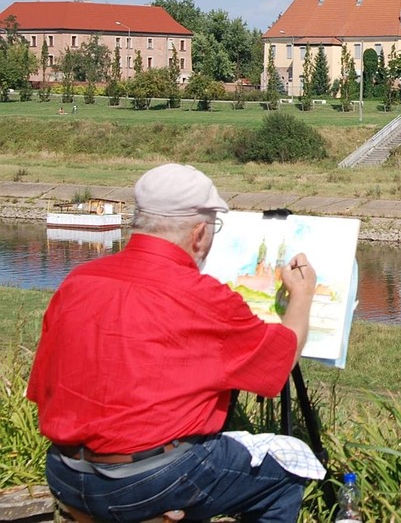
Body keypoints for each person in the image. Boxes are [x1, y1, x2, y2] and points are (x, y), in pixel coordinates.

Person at [27, 163, 320, 523]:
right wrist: (302, 295)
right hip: (147, 482)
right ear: (199, 233)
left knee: (181, 459)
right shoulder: (201, 296)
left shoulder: (79, 280)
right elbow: (279, 361)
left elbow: (43, 390)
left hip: (65, 473)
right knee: (287, 474)